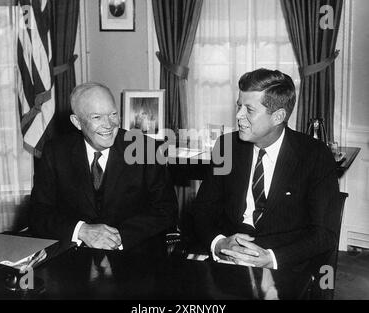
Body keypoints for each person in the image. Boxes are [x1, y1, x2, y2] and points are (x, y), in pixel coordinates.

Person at [191, 68, 340, 270]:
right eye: (239, 106)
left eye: (249, 110)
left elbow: (325, 233)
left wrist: (272, 258)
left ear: (278, 116)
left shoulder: (315, 155)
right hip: (228, 259)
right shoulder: (227, 146)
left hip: (283, 263)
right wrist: (219, 243)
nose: (238, 116)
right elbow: (202, 210)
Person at [29, 82, 177, 250]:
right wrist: (81, 231)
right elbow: (38, 213)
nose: (109, 124)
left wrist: (118, 237)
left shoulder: (146, 150)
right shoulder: (55, 152)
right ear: (77, 122)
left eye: (113, 114)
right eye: (97, 117)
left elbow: (166, 211)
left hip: (131, 256)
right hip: (73, 257)